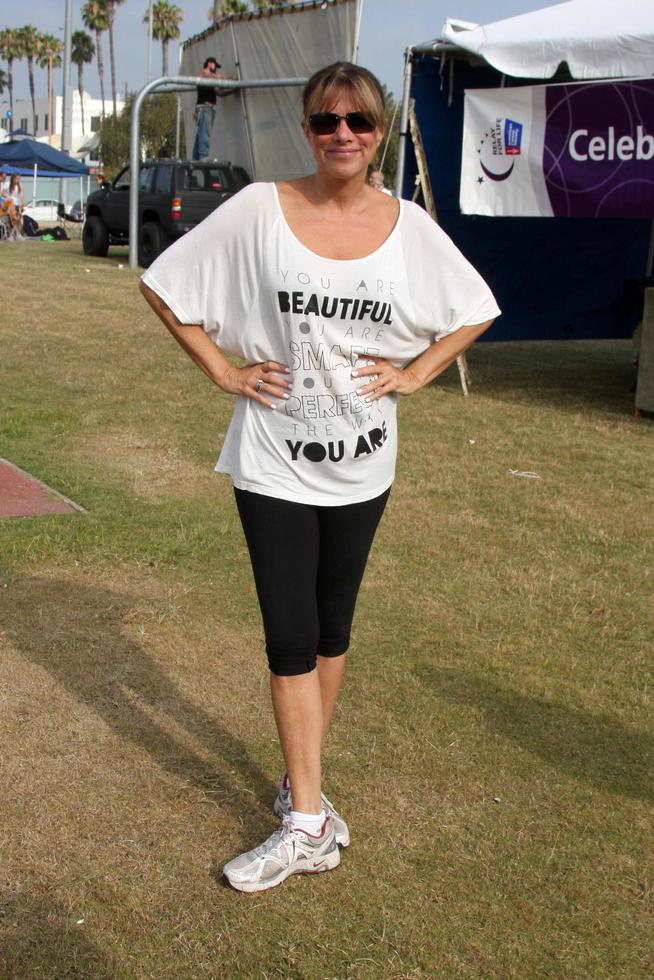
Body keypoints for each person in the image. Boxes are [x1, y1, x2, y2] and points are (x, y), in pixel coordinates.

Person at [139, 61, 500, 893]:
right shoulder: (263, 208)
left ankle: (304, 787)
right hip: (272, 459)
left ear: (379, 131)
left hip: (365, 461)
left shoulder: (406, 225)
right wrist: (224, 373)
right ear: (307, 128)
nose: (343, 134)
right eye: (326, 120)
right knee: (289, 637)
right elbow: (166, 289)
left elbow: (476, 306)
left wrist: (414, 374)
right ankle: (308, 821)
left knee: (331, 630)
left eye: (360, 122)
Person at [192, 56, 234, 161]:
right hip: (205, 109)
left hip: (205, 109)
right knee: (204, 136)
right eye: (215, 66)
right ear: (210, 63)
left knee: (201, 136)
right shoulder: (205, 75)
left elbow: (217, 90)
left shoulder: (208, 77)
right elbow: (216, 86)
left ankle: (196, 159)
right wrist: (229, 81)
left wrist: (231, 88)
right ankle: (203, 158)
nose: (216, 69)